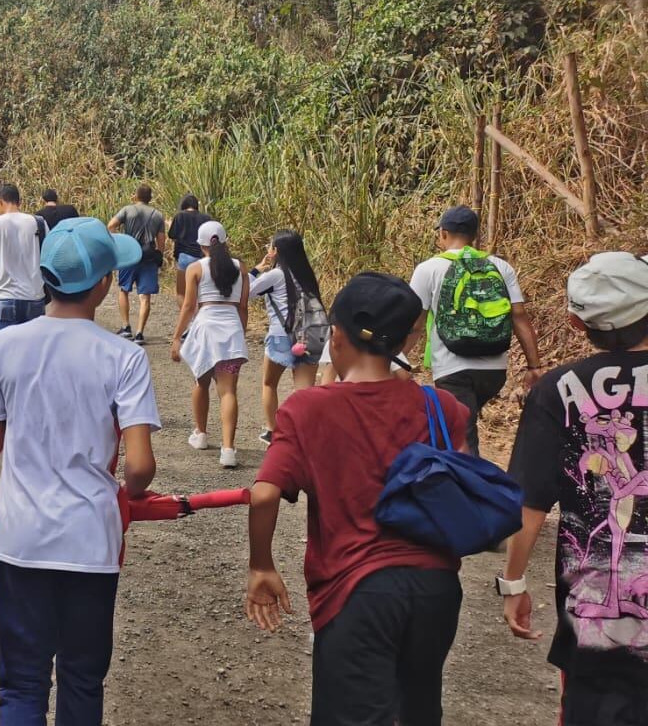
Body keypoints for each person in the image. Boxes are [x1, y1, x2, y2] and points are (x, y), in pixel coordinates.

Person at [245, 272, 468, 726]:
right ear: (408, 339)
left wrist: (261, 564)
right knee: (419, 710)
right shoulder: (441, 407)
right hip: (437, 589)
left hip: (357, 590)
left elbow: (265, 494)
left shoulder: (308, 409)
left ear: (336, 335)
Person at [0, 217, 157, 726]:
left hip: (20, 540)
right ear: (102, 285)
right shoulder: (124, 357)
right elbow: (141, 465)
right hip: (88, 541)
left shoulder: (5, 345)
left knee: (21, 684)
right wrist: (127, 490)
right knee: (81, 680)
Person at [500, 252, 648, 725]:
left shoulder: (557, 390)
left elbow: (530, 503)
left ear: (576, 323)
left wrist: (514, 582)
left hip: (598, 619)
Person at [407, 205, 541, 456]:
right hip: (494, 370)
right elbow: (519, 316)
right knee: (465, 428)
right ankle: (472, 484)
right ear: (475, 235)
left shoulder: (428, 269)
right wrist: (534, 367)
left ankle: (473, 489)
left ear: (443, 234)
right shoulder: (500, 267)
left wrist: (396, 359)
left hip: (453, 369)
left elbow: (415, 324)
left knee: (462, 435)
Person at [171, 221, 248, 468]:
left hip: (205, 329)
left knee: (200, 383)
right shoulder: (240, 268)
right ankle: (228, 450)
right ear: (224, 241)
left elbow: (189, 307)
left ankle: (201, 434)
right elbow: (243, 307)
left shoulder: (195, 268)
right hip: (231, 328)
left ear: (201, 244)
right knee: (228, 391)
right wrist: (240, 333)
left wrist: (177, 336)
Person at [248, 230, 322, 445]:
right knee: (304, 390)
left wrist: (256, 270)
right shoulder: (307, 274)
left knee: (269, 383)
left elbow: (247, 292)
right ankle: (306, 434)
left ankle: (273, 431)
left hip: (281, 336)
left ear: (276, 251)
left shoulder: (275, 275)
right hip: (309, 335)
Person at [0, 184, 46, 333]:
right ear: (19, 202)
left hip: (6, 297)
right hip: (34, 296)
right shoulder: (39, 223)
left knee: (9, 352)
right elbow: (47, 256)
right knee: (34, 350)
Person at [108, 184, 167, 345]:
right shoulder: (157, 215)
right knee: (145, 296)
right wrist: (159, 255)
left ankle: (126, 327)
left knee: (124, 289)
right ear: (150, 198)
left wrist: (120, 242)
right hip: (148, 258)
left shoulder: (127, 210)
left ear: (136, 196)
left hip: (129, 255)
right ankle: (140, 333)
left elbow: (111, 225)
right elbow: (161, 240)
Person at [168, 194, 209, 311]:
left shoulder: (179, 216)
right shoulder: (206, 218)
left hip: (185, 257)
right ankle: (200, 318)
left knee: (181, 293)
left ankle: (189, 321)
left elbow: (172, 235)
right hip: (203, 258)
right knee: (202, 294)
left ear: (184, 205)